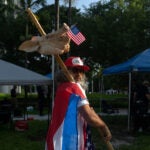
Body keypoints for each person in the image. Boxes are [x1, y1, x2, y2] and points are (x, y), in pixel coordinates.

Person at [45, 56, 112, 150]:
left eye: (81, 71)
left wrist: (88, 110)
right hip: (69, 143)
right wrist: (103, 126)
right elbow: (89, 117)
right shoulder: (74, 88)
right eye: (75, 70)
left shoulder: (62, 88)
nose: (79, 74)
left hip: (57, 141)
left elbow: (81, 111)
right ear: (65, 71)